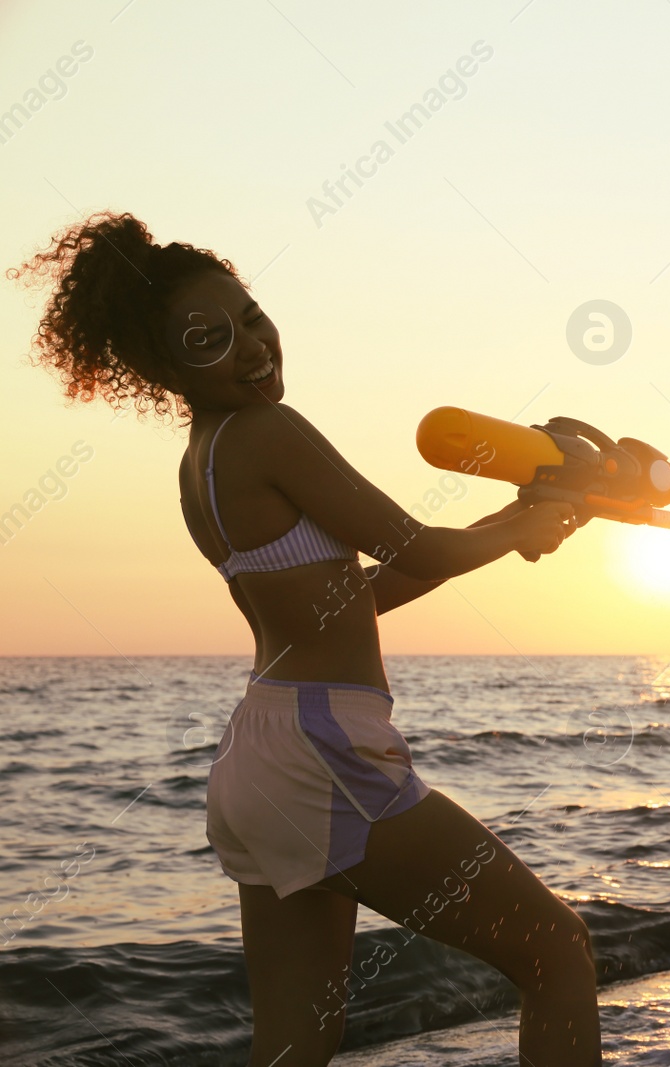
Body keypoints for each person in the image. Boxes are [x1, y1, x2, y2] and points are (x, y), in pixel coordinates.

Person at [13, 213, 602, 1066]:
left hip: (260, 757)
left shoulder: (204, 461)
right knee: (557, 950)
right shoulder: (269, 433)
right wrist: (515, 529)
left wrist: (513, 519)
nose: (253, 347)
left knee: (292, 1049)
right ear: (160, 367)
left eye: (251, 317)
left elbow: (351, 601)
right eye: (212, 338)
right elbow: (415, 546)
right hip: (325, 752)